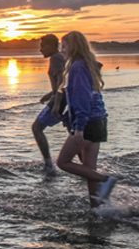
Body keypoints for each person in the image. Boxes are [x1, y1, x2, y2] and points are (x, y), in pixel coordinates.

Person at [55, 31, 117, 207]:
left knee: (63, 162)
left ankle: (105, 179)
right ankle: (98, 208)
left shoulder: (77, 67)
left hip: (88, 123)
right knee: (89, 171)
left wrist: (79, 127)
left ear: (73, 47)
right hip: (99, 120)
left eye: (64, 47)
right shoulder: (86, 65)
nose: (61, 51)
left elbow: (83, 98)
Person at [31, 34, 65, 174]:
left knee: (37, 128)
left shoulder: (56, 59)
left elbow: (62, 82)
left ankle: (48, 164)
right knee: (73, 133)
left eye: (43, 46)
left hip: (61, 100)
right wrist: (50, 94)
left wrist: (56, 104)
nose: (40, 50)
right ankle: (85, 166)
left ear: (52, 46)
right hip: (64, 99)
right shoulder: (60, 57)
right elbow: (60, 83)